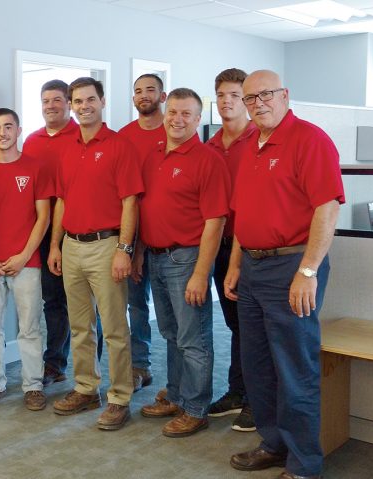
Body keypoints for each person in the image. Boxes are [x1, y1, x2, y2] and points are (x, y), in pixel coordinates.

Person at [226, 70, 344, 479]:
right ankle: (273, 443)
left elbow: (327, 208)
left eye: (266, 95)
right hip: (254, 268)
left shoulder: (310, 140)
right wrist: (235, 265)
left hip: (292, 267)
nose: (258, 103)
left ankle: (304, 464)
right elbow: (244, 213)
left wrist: (308, 271)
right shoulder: (249, 149)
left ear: (285, 95)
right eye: (251, 98)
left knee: (295, 368)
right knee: (257, 366)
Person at [49, 77, 141, 431]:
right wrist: (56, 244)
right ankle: (86, 388)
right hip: (72, 246)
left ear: (102, 102)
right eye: (77, 100)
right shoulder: (67, 146)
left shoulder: (119, 146)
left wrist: (124, 249)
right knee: (79, 326)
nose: (83, 106)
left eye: (90, 99)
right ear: (71, 105)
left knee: (115, 327)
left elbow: (130, 201)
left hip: (107, 245)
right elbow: (62, 200)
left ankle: (119, 397)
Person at [137, 87, 229, 438]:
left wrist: (200, 273)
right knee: (171, 334)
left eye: (186, 114)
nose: (177, 119)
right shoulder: (154, 154)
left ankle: (196, 408)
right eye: (173, 112)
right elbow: (148, 208)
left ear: (198, 118)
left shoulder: (208, 161)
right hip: (157, 258)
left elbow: (215, 221)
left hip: (186, 260)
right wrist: (141, 253)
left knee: (194, 338)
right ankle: (176, 395)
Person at [0, 108, 51, 411]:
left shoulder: (35, 167)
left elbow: (43, 217)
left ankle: (33, 385)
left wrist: (24, 255)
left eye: (8, 127)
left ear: (18, 131)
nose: (2, 133)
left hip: (26, 263)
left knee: (29, 327)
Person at [205, 68, 257, 432]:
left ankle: (257, 400)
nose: (227, 101)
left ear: (247, 100)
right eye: (221, 95)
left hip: (252, 251)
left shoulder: (259, 140)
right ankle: (238, 391)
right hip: (220, 248)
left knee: (253, 328)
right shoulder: (209, 146)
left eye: (235, 95)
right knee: (234, 324)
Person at [22, 79, 78, 386]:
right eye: (46, 101)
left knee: (80, 302)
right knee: (52, 301)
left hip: (75, 231)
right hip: (41, 232)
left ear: (68, 103)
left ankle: (88, 368)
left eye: (57, 100)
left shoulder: (79, 137)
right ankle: (55, 362)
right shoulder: (31, 140)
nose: (51, 106)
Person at [118, 73, 167, 393]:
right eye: (138, 91)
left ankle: (183, 381)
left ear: (162, 97)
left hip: (168, 235)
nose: (144, 95)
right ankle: (139, 366)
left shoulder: (174, 130)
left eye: (151, 90)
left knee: (173, 314)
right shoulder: (123, 136)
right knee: (135, 303)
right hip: (131, 232)